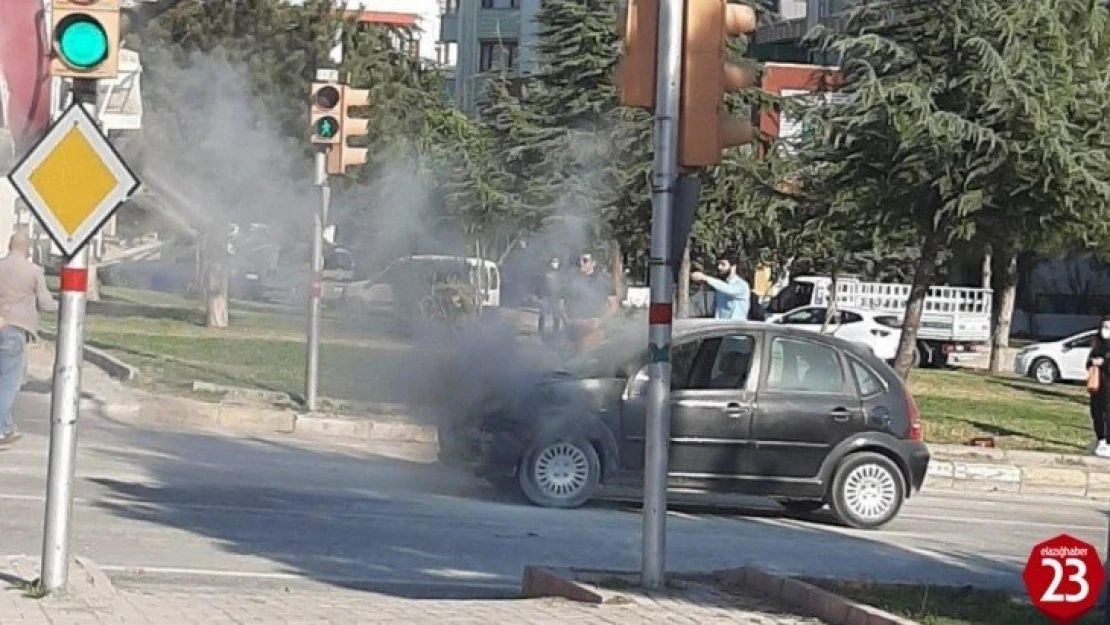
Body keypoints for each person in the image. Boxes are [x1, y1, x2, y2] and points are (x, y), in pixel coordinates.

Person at [0, 232, 57, 446]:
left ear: (8, 245)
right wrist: (66, 305)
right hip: (14, 330)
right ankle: (1, 429)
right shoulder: (33, 272)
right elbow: (45, 303)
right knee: (8, 383)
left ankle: (7, 427)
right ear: (29, 249)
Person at [561, 253, 617, 353]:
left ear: (593, 263)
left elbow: (613, 306)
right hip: (573, 329)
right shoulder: (570, 281)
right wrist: (566, 320)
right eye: (579, 260)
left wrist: (600, 321)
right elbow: (561, 303)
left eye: (585, 260)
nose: (581, 263)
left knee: (589, 361)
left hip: (594, 331)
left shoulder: (604, 281)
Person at [691, 254, 751, 320]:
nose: (719, 267)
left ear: (733, 267)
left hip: (736, 328)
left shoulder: (742, 285)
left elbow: (728, 289)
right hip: (721, 327)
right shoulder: (720, 287)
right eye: (718, 264)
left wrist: (705, 277)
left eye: (723, 264)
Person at [1087, 315, 1110, 457]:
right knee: (1096, 413)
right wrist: (1092, 362)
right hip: (1097, 385)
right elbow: (1088, 362)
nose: (1105, 330)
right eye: (1104, 327)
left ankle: (1108, 442)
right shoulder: (1097, 343)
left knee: (1108, 413)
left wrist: (1104, 363)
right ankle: (1100, 439)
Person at [538, 256, 563, 341]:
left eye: (556, 262)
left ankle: (555, 332)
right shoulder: (545, 273)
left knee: (556, 316)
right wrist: (540, 296)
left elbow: (563, 286)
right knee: (543, 314)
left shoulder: (560, 275)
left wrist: (562, 297)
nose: (555, 263)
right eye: (553, 261)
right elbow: (541, 285)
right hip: (546, 297)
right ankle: (540, 331)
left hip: (556, 298)